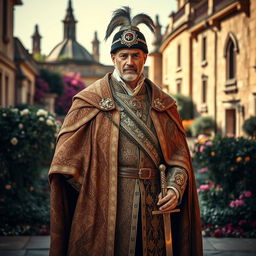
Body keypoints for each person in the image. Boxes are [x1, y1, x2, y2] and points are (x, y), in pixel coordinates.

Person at [48, 6, 203, 256]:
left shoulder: (165, 104)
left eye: (135, 55)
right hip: (105, 205)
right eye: (123, 55)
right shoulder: (89, 100)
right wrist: (93, 187)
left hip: (156, 205)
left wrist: (175, 188)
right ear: (113, 59)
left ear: (145, 58)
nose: (129, 62)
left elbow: (180, 159)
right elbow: (63, 161)